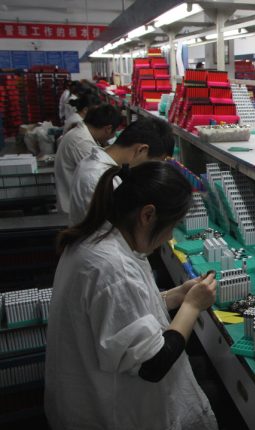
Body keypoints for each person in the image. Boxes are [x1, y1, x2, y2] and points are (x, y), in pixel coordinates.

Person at [45, 162, 218, 430]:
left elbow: (122, 316)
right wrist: (193, 306)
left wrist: (176, 296)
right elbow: (153, 364)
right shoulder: (113, 268)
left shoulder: (100, 237)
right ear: (148, 215)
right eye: (172, 225)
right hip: (109, 412)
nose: (171, 234)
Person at [68, 117, 174, 225]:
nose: (151, 169)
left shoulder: (94, 161)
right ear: (142, 150)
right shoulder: (103, 180)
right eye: (154, 163)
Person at [55, 104, 123, 216]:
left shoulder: (82, 134)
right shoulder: (82, 141)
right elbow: (101, 175)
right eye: (114, 132)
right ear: (108, 129)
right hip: (73, 209)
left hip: (74, 202)